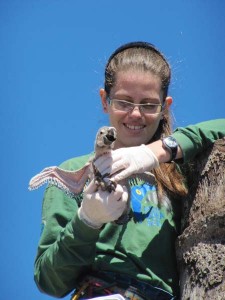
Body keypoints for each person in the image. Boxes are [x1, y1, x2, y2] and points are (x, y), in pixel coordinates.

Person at [33, 41, 225, 300]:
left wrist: (159, 151)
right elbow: (49, 280)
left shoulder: (180, 172)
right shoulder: (76, 172)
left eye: (148, 105)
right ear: (105, 100)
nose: (135, 114)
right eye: (123, 101)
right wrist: (87, 220)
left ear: (165, 107)